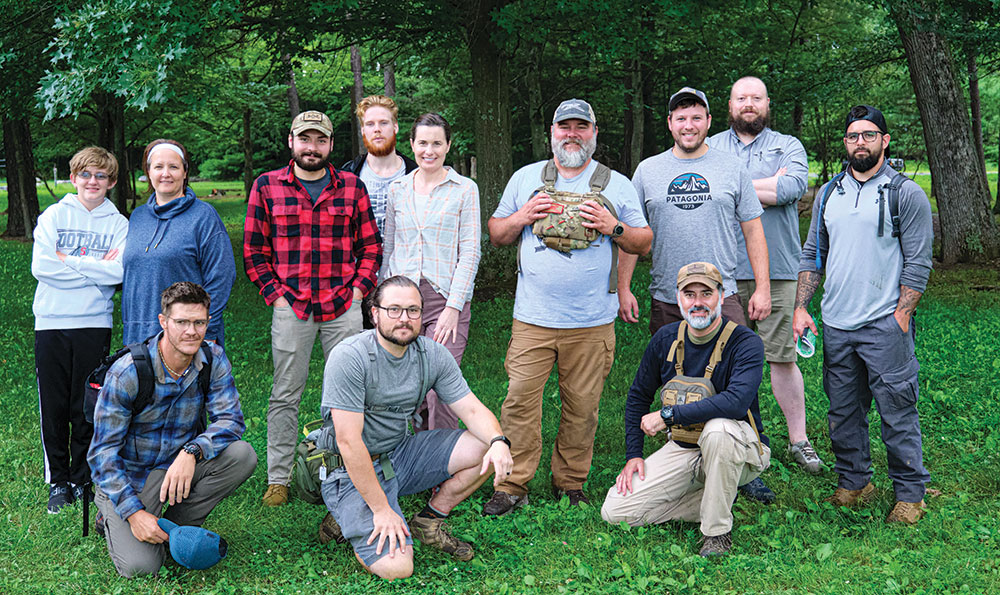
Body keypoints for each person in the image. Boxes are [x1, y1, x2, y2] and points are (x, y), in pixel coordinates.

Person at [484, 98, 652, 514]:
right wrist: (523, 216)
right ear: (552, 134)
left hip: (592, 321)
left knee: (583, 407)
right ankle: (512, 485)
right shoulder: (526, 178)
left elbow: (643, 241)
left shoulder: (617, 184)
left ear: (594, 134)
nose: (572, 134)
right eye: (564, 127)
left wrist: (611, 227)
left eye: (581, 127)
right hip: (532, 320)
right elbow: (497, 232)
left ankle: (570, 482)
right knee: (520, 402)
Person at [623, 87, 776, 505]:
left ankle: (750, 461)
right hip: (666, 297)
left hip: (719, 296)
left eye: (696, 117)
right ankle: (681, 451)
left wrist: (761, 287)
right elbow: (634, 237)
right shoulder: (648, 171)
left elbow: (753, 231)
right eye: (679, 118)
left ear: (709, 121)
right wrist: (622, 287)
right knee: (673, 375)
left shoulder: (730, 168)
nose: (687, 125)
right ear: (669, 124)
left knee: (737, 381)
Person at [318, 276, 513, 580]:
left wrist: (500, 441)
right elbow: (348, 441)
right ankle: (352, 508)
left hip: (400, 455)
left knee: (486, 446)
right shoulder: (350, 357)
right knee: (398, 568)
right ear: (375, 313)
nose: (404, 319)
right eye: (393, 310)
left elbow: (472, 408)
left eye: (413, 311)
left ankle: (429, 520)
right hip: (349, 467)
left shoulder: (431, 354)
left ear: (423, 315)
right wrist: (382, 510)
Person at [794, 105, 932, 524]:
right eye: (853, 136)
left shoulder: (905, 193)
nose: (860, 142)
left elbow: (919, 261)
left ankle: (911, 494)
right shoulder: (828, 194)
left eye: (869, 135)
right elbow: (812, 253)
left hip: (884, 325)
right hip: (836, 324)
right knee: (843, 411)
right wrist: (801, 307)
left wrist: (902, 317)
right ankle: (855, 482)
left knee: (897, 410)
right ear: (845, 143)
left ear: (884, 141)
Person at [244, 110, 382, 506]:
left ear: (331, 145)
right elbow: (254, 250)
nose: (312, 147)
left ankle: (354, 468)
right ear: (291, 142)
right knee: (286, 392)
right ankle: (280, 477)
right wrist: (276, 295)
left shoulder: (352, 187)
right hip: (293, 306)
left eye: (320, 140)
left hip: (343, 305)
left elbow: (370, 247)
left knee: (355, 392)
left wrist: (358, 293)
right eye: (305, 139)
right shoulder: (267, 186)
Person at [601, 262, 770, 557]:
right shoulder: (665, 338)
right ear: (678, 298)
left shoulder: (746, 342)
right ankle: (718, 497)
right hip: (684, 447)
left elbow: (735, 402)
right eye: (689, 294)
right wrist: (633, 455)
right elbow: (638, 396)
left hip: (739, 445)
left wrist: (669, 416)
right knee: (616, 511)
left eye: (706, 293)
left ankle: (716, 534)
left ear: (721, 295)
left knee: (718, 429)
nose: (698, 303)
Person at [89, 282, 257, 578]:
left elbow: (231, 421)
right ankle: (112, 516)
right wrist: (134, 513)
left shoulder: (212, 359)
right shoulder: (128, 372)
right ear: (163, 322)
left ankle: (176, 526)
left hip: (178, 466)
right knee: (143, 567)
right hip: (133, 474)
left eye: (199, 322)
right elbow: (102, 455)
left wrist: (192, 452)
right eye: (181, 322)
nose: (191, 331)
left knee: (241, 455)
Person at [707, 76, 823, 475]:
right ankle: (735, 437)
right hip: (720, 270)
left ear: (767, 103)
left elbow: (791, 189)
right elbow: (704, 193)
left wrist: (731, 187)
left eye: (756, 98)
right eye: (742, 98)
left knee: (782, 357)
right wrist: (763, 186)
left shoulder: (787, 145)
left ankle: (799, 441)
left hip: (777, 269)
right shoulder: (710, 146)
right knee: (721, 358)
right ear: (730, 104)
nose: (749, 104)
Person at [32, 146, 129, 513]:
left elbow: (118, 273)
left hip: (94, 322)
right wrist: (93, 268)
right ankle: (58, 481)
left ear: (111, 182)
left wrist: (66, 261)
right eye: (85, 174)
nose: (93, 181)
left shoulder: (119, 224)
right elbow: (42, 267)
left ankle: (80, 476)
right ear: (74, 178)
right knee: (54, 403)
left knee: (86, 404)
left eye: (101, 176)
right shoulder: (54, 216)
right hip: (52, 322)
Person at [380, 113, 481, 430]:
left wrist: (454, 307)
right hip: (402, 304)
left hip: (443, 301)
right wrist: (382, 304)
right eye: (422, 143)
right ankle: (417, 460)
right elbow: (390, 245)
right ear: (411, 145)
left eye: (437, 143)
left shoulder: (464, 190)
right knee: (410, 387)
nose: (429, 150)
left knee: (442, 387)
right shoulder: (398, 189)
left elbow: (470, 251)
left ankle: (446, 468)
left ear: (448, 145)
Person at [122, 139, 236, 346]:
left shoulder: (203, 216)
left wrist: (205, 330)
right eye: (158, 167)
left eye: (173, 166)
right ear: (148, 172)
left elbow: (222, 276)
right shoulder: (137, 217)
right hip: (138, 336)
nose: (166, 173)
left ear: (184, 172)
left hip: (188, 336)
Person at [341, 95, 418, 236]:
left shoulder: (417, 175)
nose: (377, 129)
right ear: (363, 130)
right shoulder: (347, 176)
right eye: (370, 124)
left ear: (395, 127)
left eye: (383, 123)